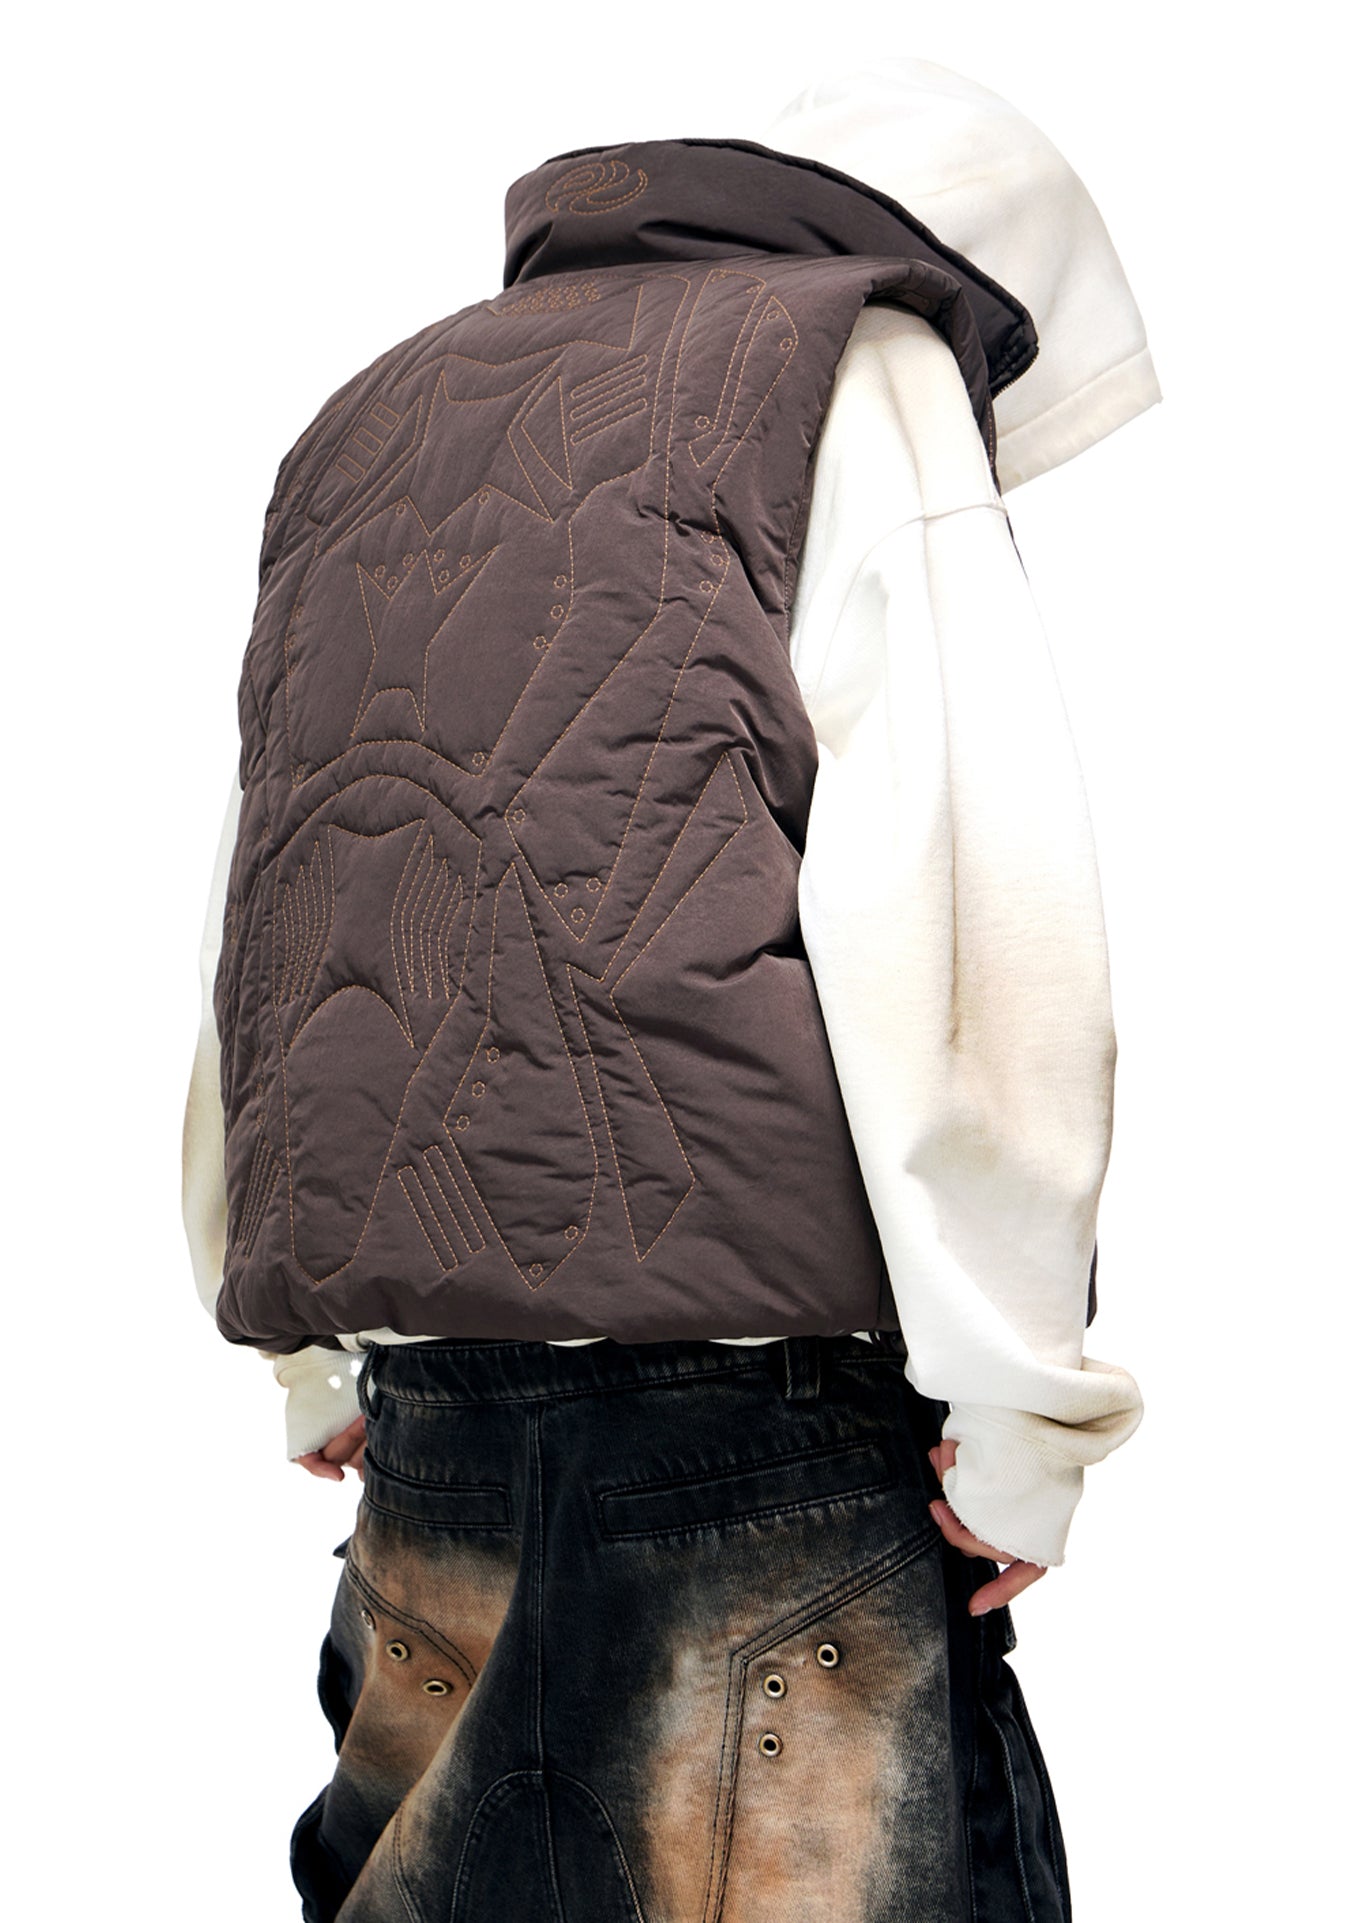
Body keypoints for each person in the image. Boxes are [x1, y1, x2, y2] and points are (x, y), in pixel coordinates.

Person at [181, 56, 1157, 1921]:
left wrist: (309, 1344)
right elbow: (966, 901)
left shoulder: (367, 417)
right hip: (752, 1446)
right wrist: (1024, 1409)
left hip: (429, 1439)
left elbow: (281, 877)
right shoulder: (851, 360)